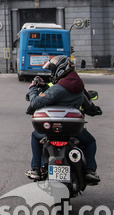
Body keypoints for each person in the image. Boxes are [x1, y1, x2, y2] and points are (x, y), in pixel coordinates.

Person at [25, 55, 99, 183]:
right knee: (89, 142)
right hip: (74, 130)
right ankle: (90, 170)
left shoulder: (61, 87)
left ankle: (36, 169)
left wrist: (33, 88)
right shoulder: (76, 84)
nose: (52, 73)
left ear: (60, 69)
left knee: (35, 136)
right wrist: (45, 87)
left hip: (53, 129)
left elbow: (36, 102)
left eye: (53, 70)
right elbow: (60, 95)